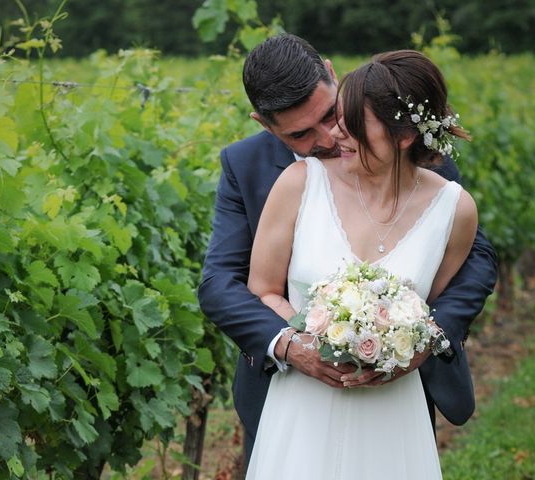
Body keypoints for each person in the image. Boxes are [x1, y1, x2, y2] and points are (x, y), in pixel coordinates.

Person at [197, 33, 497, 468]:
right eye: (301, 133)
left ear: (333, 76)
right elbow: (219, 284)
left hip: (395, 390)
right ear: (264, 124)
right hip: (291, 395)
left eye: (330, 114)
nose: (332, 137)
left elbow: (476, 259)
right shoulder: (249, 167)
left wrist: (420, 337)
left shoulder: (402, 143)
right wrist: (292, 345)